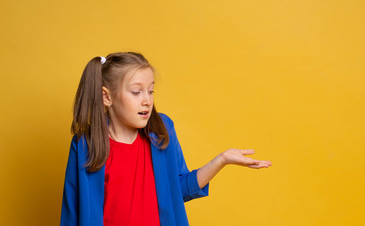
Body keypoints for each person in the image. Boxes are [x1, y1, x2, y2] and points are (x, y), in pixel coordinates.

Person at [60, 52, 272, 226]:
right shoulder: (85, 145)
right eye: (136, 92)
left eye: (151, 91)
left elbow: (177, 189)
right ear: (107, 97)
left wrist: (221, 160)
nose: (147, 101)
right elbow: (72, 213)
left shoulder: (161, 131)